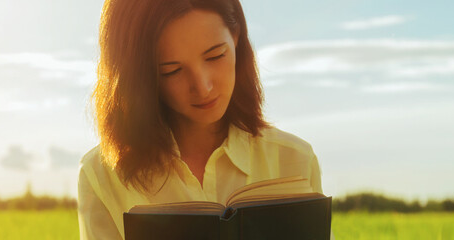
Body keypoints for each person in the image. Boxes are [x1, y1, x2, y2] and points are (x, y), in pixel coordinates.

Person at [77, 0, 328, 239]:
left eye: (215, 56)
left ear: (236, 37)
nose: (203, 87)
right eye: (172, 70)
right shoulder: (100, 175)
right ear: (141, 77)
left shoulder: (295, 160)